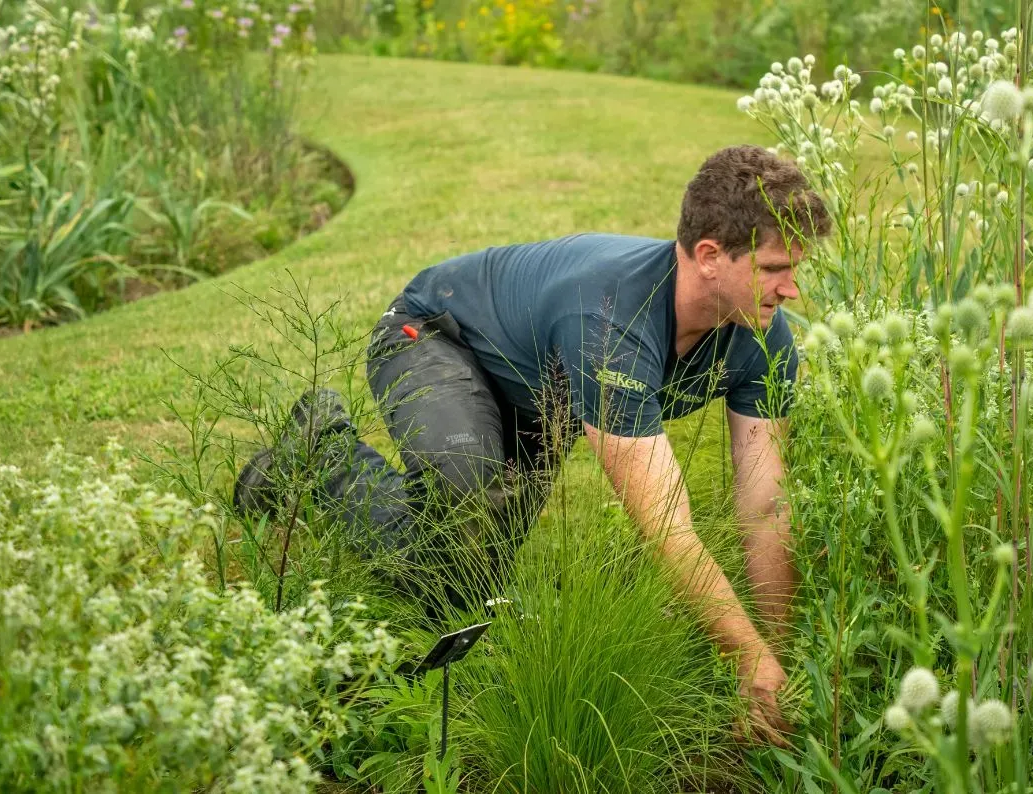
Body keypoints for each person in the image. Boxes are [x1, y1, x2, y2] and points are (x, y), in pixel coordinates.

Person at [233, 144, 831, 746]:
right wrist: (744, 656)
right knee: (467, 506)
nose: (792, 290)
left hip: (537, 406)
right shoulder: (612, 321)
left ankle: (319, 461)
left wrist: (769, 656)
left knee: (451, 587)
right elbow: (664, 523)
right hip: (436, 339)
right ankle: (324, 453)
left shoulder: (763, 339)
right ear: (709, 256)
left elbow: (765, 506)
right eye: (774, 268)